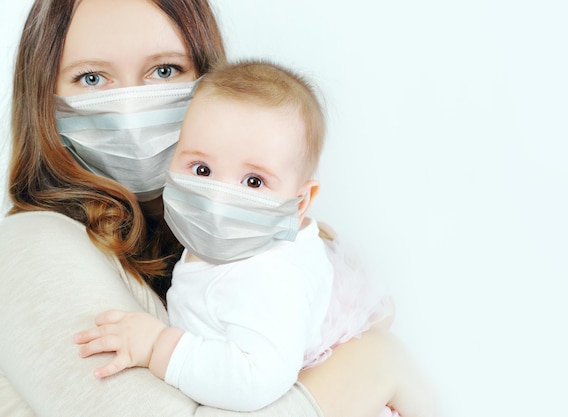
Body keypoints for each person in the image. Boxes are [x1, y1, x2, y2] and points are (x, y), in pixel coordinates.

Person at [0, 0, 436, 416]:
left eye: (164, 70)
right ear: (42, 96)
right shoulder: (30, 248)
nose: (131, 109)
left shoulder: (244, 245)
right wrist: (377, 365)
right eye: (92, 78)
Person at [74, 60, 409, 415]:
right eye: (202, 170)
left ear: (301, 201)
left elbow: (256, 379)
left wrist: (159, 346)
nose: (217, 196)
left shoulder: (269, 277)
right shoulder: (230, 244)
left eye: (253, 182)